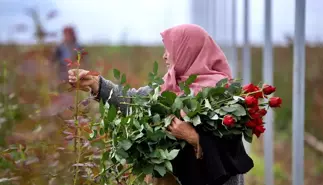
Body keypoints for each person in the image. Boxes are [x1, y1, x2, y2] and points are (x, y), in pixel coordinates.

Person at [68, 24, 254, 185]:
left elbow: (230, 151)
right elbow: (133, 101)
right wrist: (96, 83)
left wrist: (194, 138)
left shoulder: (222, 94)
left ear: (186, 51)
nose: (165, 56)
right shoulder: (169, 87)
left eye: (170, 50)